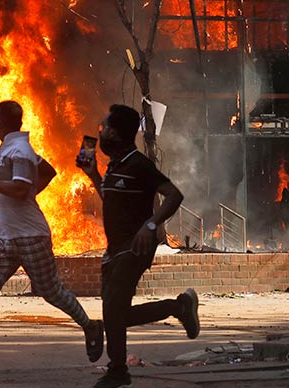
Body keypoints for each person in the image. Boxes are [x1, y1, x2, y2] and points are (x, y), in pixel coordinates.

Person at [0, 100, 104, 374]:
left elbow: (17, 190)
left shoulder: (20, 151)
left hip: (30, 236)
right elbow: (48, 172)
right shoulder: (13, 148)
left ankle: (90, 326)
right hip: (3, 235)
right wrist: (30, 194)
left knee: (51, 292)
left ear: (2, 124)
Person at [76, 104, 200, 388]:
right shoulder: (115, 167)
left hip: (135, 247)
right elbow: (115, 202)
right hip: (114, 250)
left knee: (113, 311)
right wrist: (94, 175)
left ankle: (118, 371)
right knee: (115, 314)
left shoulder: (139, 164)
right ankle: (179, 307)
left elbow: (173, 195)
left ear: (118, 133)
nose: (101, 132)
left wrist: (151, 225)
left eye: (105, 128)